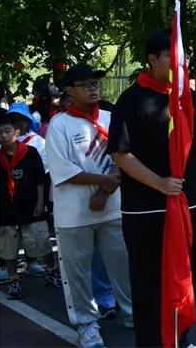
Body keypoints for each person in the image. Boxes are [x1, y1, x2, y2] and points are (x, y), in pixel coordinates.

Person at [108, 29, 196, 347]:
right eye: (172, 54)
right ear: (153, 58)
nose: (179, 60)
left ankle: (180, 339)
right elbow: (120, 152)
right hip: (148, 210)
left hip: (191, 207)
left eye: (181, 53)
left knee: (187, 278)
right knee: (149, 284)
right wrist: (159, 183)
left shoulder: (189, 97)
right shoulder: (131, 100)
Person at [46, 64, 133, 348]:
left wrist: (105, 191)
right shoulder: (59, 125)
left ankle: (133, 312)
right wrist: (104, 182)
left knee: (122, 263)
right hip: (74, 214)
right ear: (69, 91)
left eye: (95, 83)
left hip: (113, 208)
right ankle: (87, 323)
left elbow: (127, 159)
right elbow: (64, 170)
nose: (93, 88)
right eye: (85, 84)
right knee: (78, 272)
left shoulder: (111, 118)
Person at [0, 109, 60, 300]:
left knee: (40, 242)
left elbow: (40, 180)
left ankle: (51, 270)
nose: (3, 135)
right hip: (5, 210)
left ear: (16, 132)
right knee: (7, 247)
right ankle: (14, 279)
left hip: (31, 206)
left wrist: (40, 203)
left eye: (7, 131)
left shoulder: (30, 152)